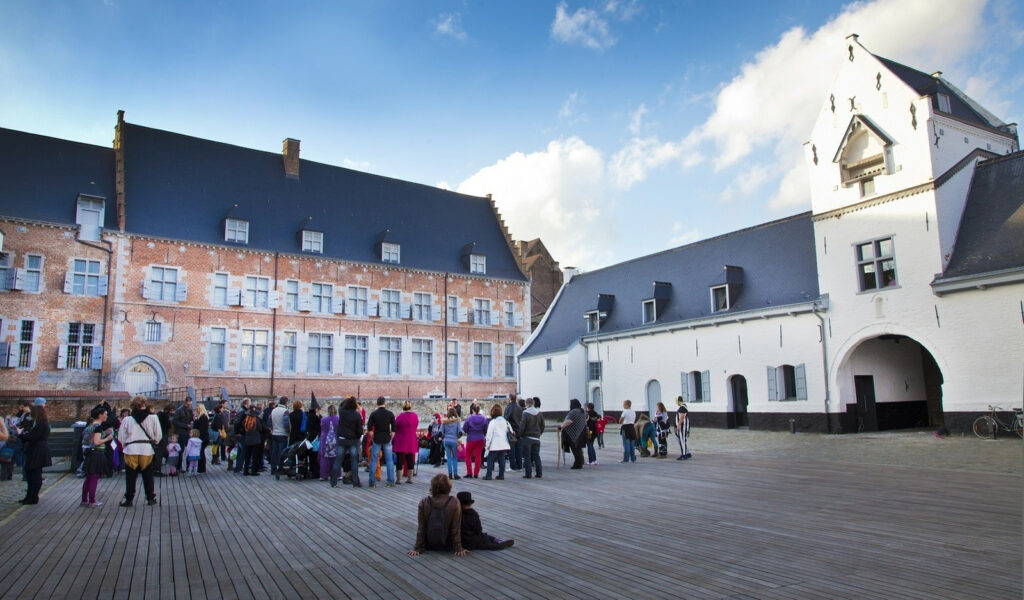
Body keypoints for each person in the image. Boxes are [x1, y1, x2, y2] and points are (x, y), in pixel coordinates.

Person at [117, 395, 162, 506]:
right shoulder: (153, 418)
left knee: (130, 476)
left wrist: (125, 445)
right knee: (148, 475)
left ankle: (129, 499)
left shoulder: (127, 419)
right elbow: (158, 435)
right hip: (146, 449)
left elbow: (121, 437)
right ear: (144, 404)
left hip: (131, 449)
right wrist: (154, 442)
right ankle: (150, 498)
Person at [408, 473, 467, 557]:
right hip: (447, 544)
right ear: (448, 486)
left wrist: (417, 548)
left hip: (429, 544)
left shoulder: (424, 501)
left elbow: (422, 527)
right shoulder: (454, 501)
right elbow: (455, 528)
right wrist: (458, 548)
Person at [18, 398, 51, 505]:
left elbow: (33, 437)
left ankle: (33, 497)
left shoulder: (41, 424)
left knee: (34, 473)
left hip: (38, 450)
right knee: (31, 473)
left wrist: (20, 434)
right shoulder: (41, 423)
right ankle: (30, 496)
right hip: (37, 449)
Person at [81, 407, 113, 506]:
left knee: (89, 477)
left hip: (91, 453)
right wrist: (108, 438)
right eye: (105, 414)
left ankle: (84, 500)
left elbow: (91, 440)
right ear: (100, 415)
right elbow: (97, 441)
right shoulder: (98, 427)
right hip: (97, 454)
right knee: (94, 477)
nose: (106, 416)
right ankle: (92, 500)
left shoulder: (91, 426)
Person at [333, 396, 364, 488]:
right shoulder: (357, 415)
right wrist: (358, 437)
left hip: (342, 439)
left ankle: (333, 482)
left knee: (338, 461)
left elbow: (340, 406)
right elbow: (359, 430)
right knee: (354, 462)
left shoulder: (342, 413)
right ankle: (355, 482)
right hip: (353, 440)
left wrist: (346, 401)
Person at [366, 397, 396, 488]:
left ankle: (372, 481)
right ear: (384, 403)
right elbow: (394, 428)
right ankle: (390, 480)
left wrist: (373, 436)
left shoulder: (374, 414)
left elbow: (369, 428)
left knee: (374, 460)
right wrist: (391, 436)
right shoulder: (390, 414)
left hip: (377, 438)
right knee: (389, 460)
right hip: (386, 437)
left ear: (377, 403)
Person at [393, 401, 419, 485]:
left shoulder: (400, 417)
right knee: (410, 459)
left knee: (400, 460)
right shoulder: (415, 416)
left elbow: (395, 426)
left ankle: (399, 479)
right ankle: (410, 478)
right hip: (411, 439)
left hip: (401, 440)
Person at [482, 404, 511, 480]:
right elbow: (510, 431)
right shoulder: (505, 421)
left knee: (490, 459)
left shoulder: (493, 422)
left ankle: (489, 475)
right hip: (504, 443)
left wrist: (487, 445)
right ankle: (501, 475)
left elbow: (489, 435)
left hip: (495, 444)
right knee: (502, 459)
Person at [519, 397, 544, 479]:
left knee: (527, 456)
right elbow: (542, 425)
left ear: (526, 404)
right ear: (533, 404)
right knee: (537, 456)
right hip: (536, 438)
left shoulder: (525, 413)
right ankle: (539, 473)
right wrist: (539, 433)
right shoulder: (539, 413)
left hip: (527, 437)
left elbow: (522, 426)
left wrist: (521, 435)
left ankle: (528, 474)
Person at [461, 403, 488, 478]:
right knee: (478, 456)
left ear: (472, 410)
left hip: (471, 438)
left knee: (468, 455)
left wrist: (469, 432)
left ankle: (469, 473)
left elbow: (465, 428)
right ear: (479, 410)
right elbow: (486, 429)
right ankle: (476, 473)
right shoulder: (484, 418)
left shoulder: (469, 418)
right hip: (480, 438)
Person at [559, 399, 587, 470]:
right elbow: (586, 418)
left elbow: (569, 421)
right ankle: (580, 462)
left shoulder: (573, 412)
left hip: (573, 433)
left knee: (575, 449)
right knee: (578, 449)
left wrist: (561, 427)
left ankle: (577, 464)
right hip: (581, 432)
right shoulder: (582, 411)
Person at [241, 405, 265, 476]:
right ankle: (254, 471)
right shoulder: (256, 421)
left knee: (247, 456)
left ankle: (246, 470)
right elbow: (260, 429)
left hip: (247, 440)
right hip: (256, 440)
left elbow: (242, 429)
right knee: (255, 456)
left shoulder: (245, 421)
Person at [171, 398, 193, 472]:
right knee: (180, 450)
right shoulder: (179, 410)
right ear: (185, 402)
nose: (189, 405)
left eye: (190, 404)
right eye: (188, 404)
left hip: (187, 432)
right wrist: (185, 425)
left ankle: (188, 466)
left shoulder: (189, 410)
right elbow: (174, 421)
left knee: (189, 449)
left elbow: (191, 419)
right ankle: (179, 466)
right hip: (180, 432)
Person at [231, 397, 253, 473]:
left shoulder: (241, 410)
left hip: (239, 433)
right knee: (243, 452)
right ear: (246, 404)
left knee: (240, 451)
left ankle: (238, 467)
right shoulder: (243, 412)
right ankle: (239, 468)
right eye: (249, 404)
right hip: (241, 434)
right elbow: (237, 422)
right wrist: (238, 432)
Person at [269, 398, 290, 474]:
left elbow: (269, 421)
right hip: (282, 434)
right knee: (282, 452)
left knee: (274, 452)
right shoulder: (285, 411)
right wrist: (288, 432)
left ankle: (273, 468)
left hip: (274, 433)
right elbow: (286, 424)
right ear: (286, 403)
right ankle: (280, 468)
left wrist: (271, 428)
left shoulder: (273, 410)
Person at [319, 404, 339, 481]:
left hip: (326, 440)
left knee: (324, 458)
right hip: (335, 440)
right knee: (335, 458)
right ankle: (337, 474)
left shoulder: (323, 419)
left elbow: (322, 429)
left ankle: (323, 475)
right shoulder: (338, 419)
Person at [441, 408, 462, 480]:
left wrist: (444, 436)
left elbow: (441, 432)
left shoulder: (444, 422)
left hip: (446, 441)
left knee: (449, 458)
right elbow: (460, 432)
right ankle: (455, 474)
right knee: (455, 458)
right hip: (453, 441)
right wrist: (458, 436)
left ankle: (450, 474)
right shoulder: (457, 421)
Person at [503, 394, 523, 470]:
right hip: (519, 430)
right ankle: (519, 465)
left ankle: (513, 466)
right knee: (519, 449)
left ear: (510, 399)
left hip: (512, 430)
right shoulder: (519, 408)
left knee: (512, 449)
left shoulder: (509, 408)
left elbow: (506, 419)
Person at [306, 398, 322, 479]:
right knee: (315, 456)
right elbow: (319, 427)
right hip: (315, 438)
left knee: (312, 456)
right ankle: (316, 472)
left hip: (309, 438)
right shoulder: (315, 417)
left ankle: (313, 471)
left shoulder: (308, 416)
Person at [193, 403, 210, 473]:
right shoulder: (201, 417)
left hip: (202, 437)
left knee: (201, 452)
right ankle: (201, 468)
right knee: (201, 452)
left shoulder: (203, 417)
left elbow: (202, 429)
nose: (196, 410)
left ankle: (202, 468)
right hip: (201, 437)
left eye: (197, 408)